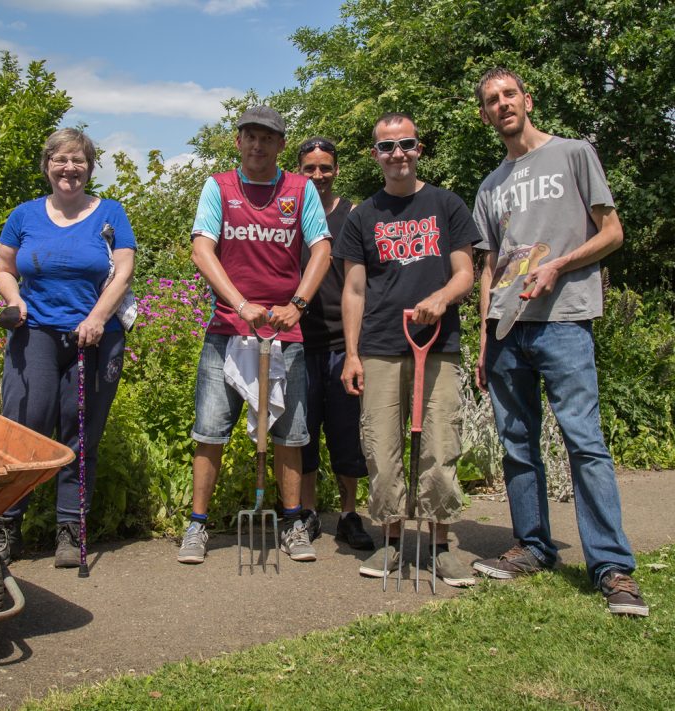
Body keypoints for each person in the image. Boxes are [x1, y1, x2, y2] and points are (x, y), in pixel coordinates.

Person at [471, 68, 648, 616]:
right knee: (517, 445)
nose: (502, 105)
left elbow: (612, 232)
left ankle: (612, 567)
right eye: (491, 101)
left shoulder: (574, 154)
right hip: (506, 331)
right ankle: (533, 545)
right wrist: (483, 336)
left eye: (509, 95)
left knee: (585, 443)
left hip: (565, 321)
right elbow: (488, 266)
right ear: (484, 115)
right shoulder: (490, 186)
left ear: (527, 99)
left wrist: (558, 266)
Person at [176, 106, 332, 565]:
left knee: (289, 433)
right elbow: (202, 249)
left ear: (282, 145)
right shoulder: (218, 187)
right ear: (238, 141)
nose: (258, 146)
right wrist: (242, 306)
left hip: (287, 333)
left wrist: (296, 305)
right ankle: (197, 525)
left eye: (268, 138)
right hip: (227, 329)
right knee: (210, 431)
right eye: (250, 137)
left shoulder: (299, 189)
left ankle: (292, 522)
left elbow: (321, 248)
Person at [335, 112, 479, 587]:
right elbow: (354, 291)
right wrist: (352, 354)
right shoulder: (362, 216)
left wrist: (441, 298)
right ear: (374, 154)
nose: (398, 154)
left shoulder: (447, 205)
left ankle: (440, 545)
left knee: (440, 444)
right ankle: (392, 542)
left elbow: (465, 272)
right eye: (387, 147)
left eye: (407, 144)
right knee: (382, 447)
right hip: (379, 346)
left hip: (437, 345)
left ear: (419, 149)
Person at [0, 128, 136, 568]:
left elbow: (123, 272)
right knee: (25, 425)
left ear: (90, 167)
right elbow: (3, 268)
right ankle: (7, 524)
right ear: (47, 165)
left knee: (79, 430)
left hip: (95, 336)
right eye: (61, 159)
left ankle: (71, 528)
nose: (69, 168)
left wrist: (96, 319)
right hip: (35, 332)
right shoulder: (25, 215)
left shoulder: (110, 214)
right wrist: (14, 301)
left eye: (79, 160)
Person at [294, 137, 373, 550]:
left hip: (343, 344)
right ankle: (307, 513)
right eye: (310, 169)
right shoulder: (289, 217)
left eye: (325, 168)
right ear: (299, 172)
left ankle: (348, 514)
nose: (318, 176)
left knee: (345, 436)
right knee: (302, 433)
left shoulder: (353, 216)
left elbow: (364, 283)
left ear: (336, 170)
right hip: (300, 343)